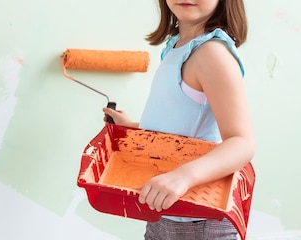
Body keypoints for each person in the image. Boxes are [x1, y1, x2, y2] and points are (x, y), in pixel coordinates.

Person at [102, 0, 254, 239]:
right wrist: (132, 128)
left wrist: (183, 176)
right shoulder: (178, 46)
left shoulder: (211, 54)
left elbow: (242, 143)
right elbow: (182, 126)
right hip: (166, 207)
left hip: (197, 219)